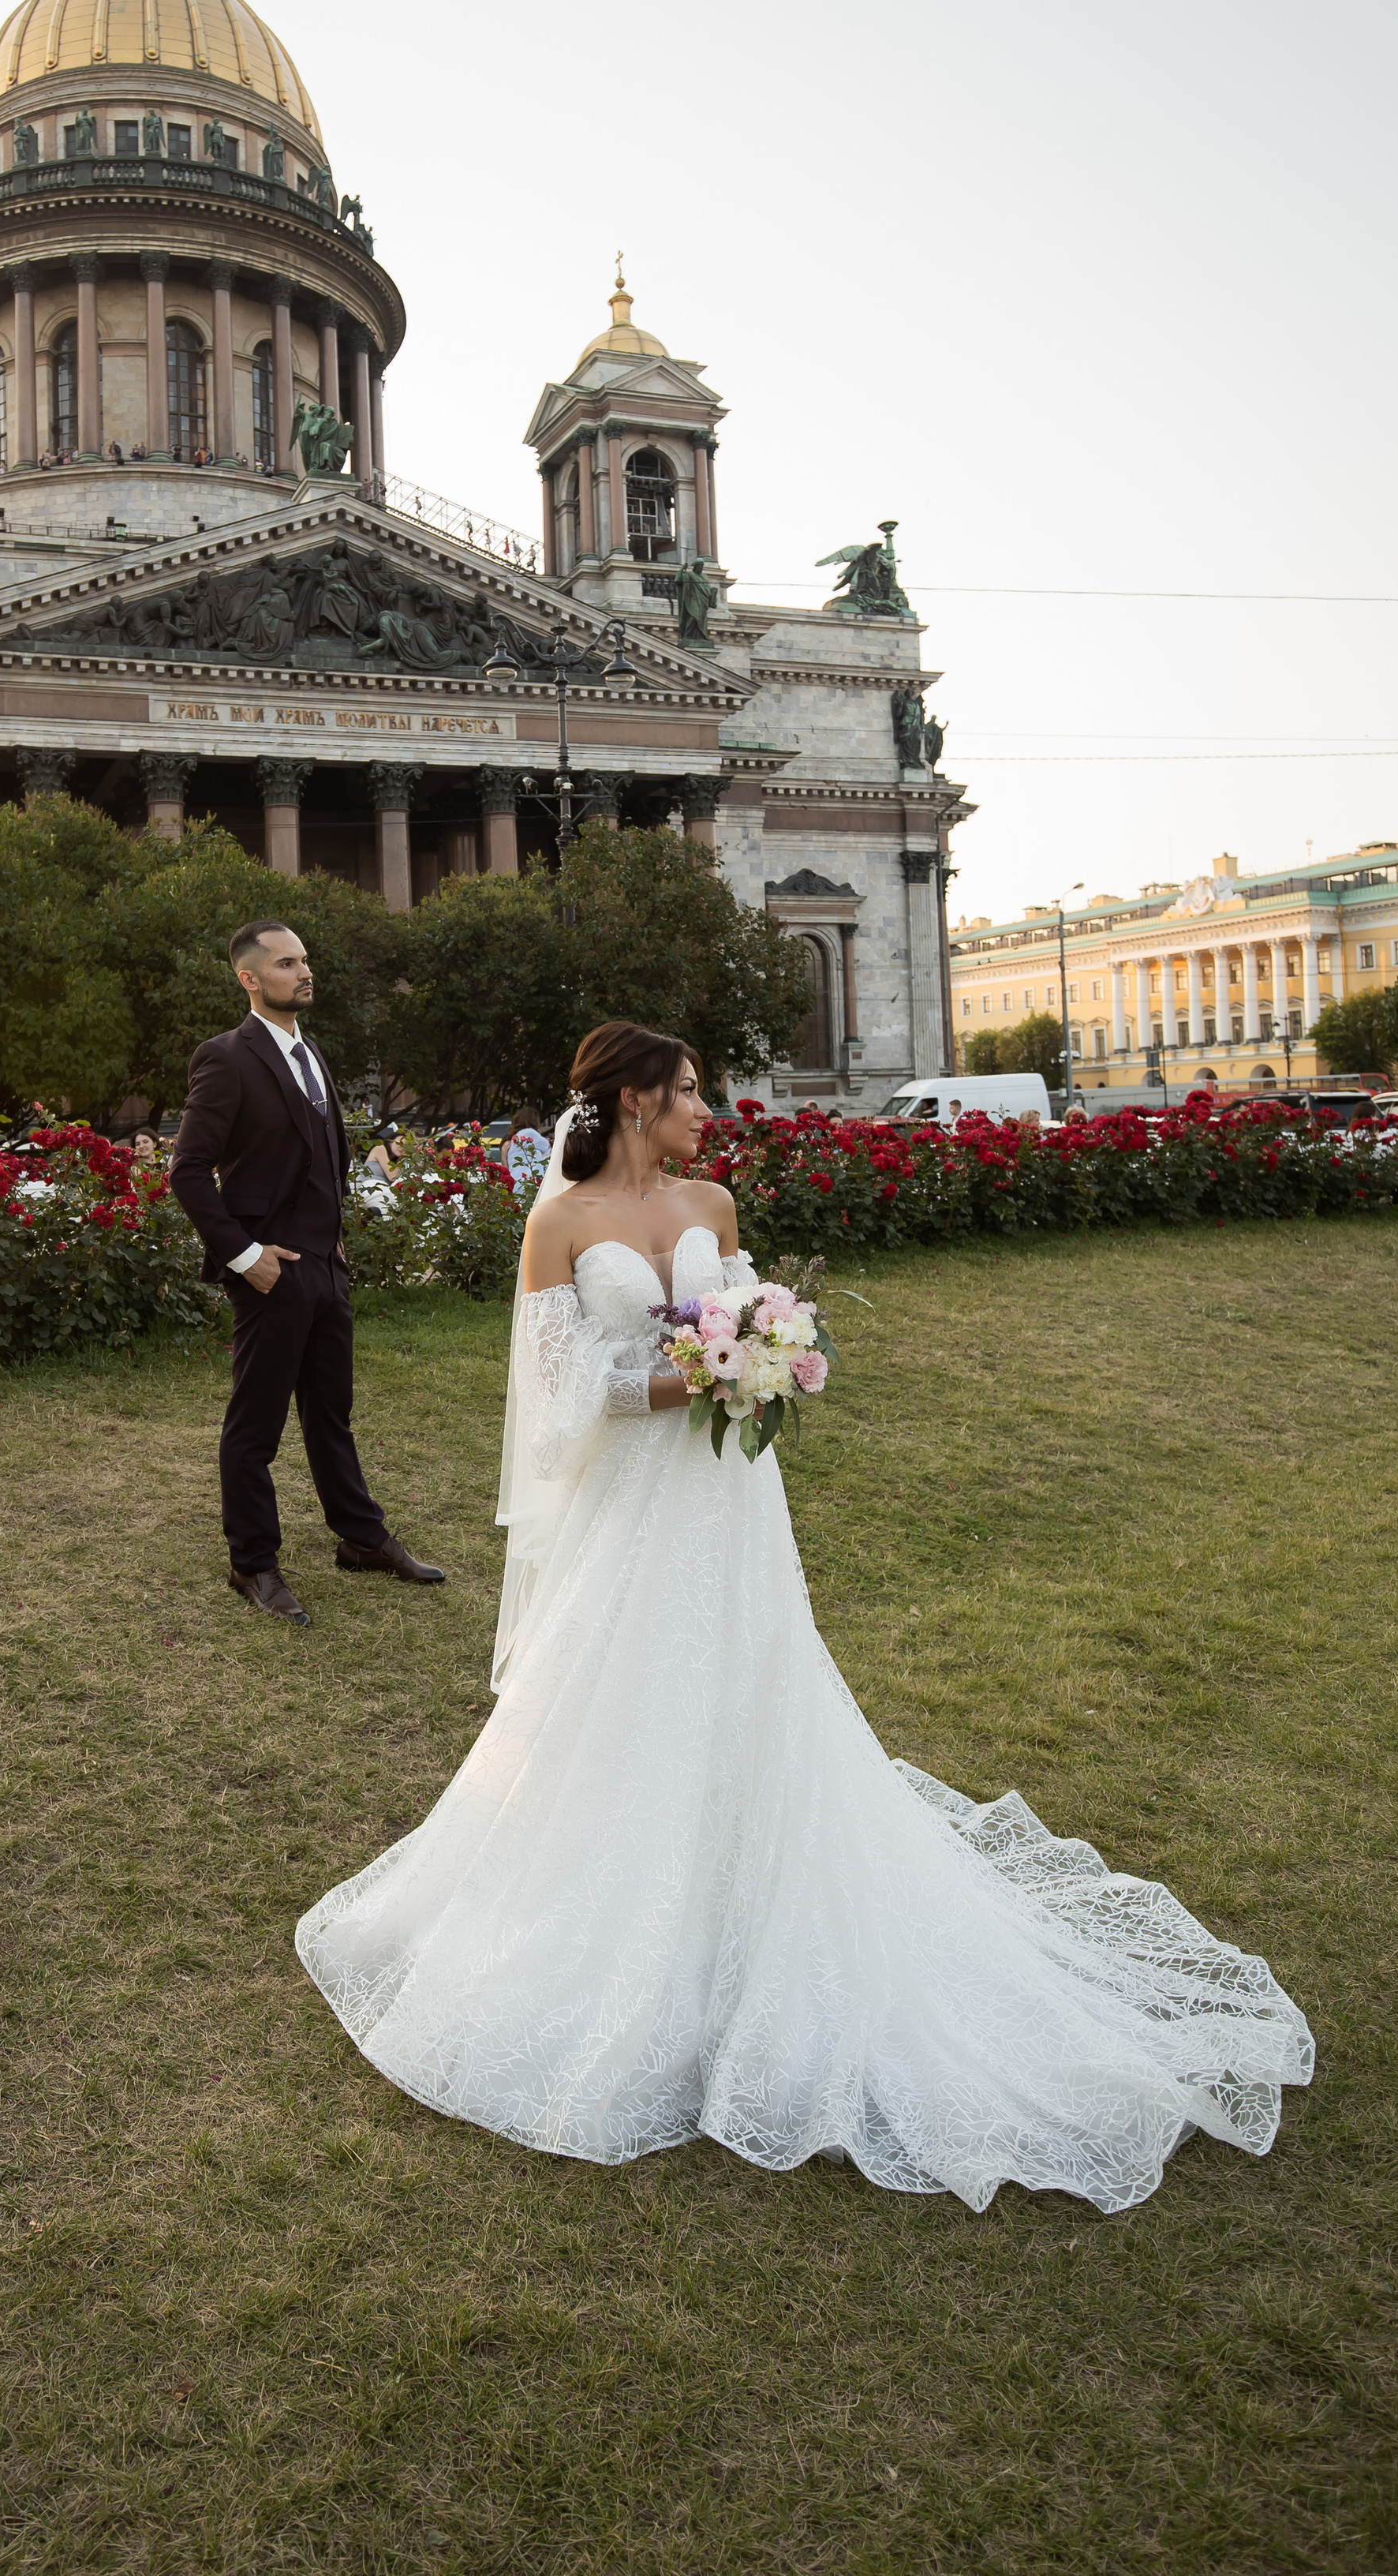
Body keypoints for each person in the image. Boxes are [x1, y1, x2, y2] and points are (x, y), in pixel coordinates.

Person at [296, 1020, 1312, 2211]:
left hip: (728, 1497)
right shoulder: (559, 1224)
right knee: (625, 1692)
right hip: (635, 1503)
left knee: (753, 1676)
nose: (702, 1111)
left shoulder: (714, 1203)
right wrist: (712, 1371)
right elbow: (568, 1395)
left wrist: (764, 1351)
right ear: (629, 1103)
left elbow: (739, 1314)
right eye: (683, 1093)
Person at [169, 923, 445, 1627]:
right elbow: (189, 1171)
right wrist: (243, 1256)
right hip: (271, 1273)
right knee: (254, 1427)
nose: (304, 972)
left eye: (305, 961)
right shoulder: (226, 1058)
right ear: (250, 979)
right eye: (287, 964)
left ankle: (361, 1539)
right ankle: (252, 1562)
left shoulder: (311, 1050)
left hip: (326, 1268)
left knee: (332, 1415)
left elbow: (320, 1163)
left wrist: (335, 1246)